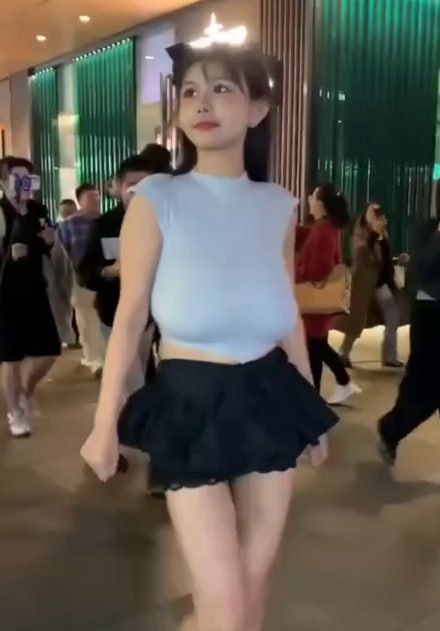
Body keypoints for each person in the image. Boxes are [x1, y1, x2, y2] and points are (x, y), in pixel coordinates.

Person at [81, 43, 338, 631]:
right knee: (223, 602)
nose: (202, 103)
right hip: (189, 401)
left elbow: (286, 312)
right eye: (192, 91)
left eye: (222, 89)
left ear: (258, 109)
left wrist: (311, 409)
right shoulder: (158, 200)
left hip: (270, 395)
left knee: (251, 587)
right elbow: (131, 317)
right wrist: (104, 423)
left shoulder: (277, 205)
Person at [77, 149, 171, 395]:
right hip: (114, 313)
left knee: (148, 378)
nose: (138, 191)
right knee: (128, 382)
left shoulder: (167, 221)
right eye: (131, 185)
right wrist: (110, 271)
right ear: (118, 187)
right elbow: (85, 272)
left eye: (146, 184)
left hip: (157, 317)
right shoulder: (104, 225)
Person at [0, 156, 61, 437]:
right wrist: (8, 254)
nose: (23, 183)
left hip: (35, 289)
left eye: (28, 178)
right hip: (5, 294)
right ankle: (14, 413)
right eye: (17, 177)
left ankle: (26, 391)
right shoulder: (1, 211)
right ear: (4, 181)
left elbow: (46, 243)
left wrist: (49, 241)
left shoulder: (37, 209)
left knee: (50, 350)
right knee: (10, 358)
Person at [378, 218, 440, 464]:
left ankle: (392, 428)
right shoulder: (428, 231)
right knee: (423, 386)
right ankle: (391, 429)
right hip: (432, 315)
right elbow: (420, 271)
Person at [296, 185, 361, 404]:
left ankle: (313, 399)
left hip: (315, 302)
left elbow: (319, 269)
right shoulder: (326, 227)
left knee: (314, 350)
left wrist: (294, 273)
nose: (309, 199)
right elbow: (306, 236)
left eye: (313, 197)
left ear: (321, 204)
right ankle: (340, 384)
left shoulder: (324, 230)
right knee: (318, 347)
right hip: (318, 304)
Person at [339, 203, 403, 368]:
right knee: (357, 321)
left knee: (393, 316)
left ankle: (389, 356)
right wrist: (374, 236)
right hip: (365, 284)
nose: (382, 220)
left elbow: (385, 258)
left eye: (382, 217)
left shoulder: (382, 235)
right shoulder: (362, 235)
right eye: (377, 216)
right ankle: (344, 354)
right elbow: (361, 254)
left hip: (381, 283)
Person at [58, 183, 104, 375]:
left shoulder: (106, 222)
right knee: (87, 321)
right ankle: (94, 359)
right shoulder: (69, 225)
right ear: (80, 201)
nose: (96, 200)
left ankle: (105, 357)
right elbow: (61, 254)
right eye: (90, 197)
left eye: (97, 196)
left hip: (105, 278)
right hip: (80, 278)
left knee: (104, 320)